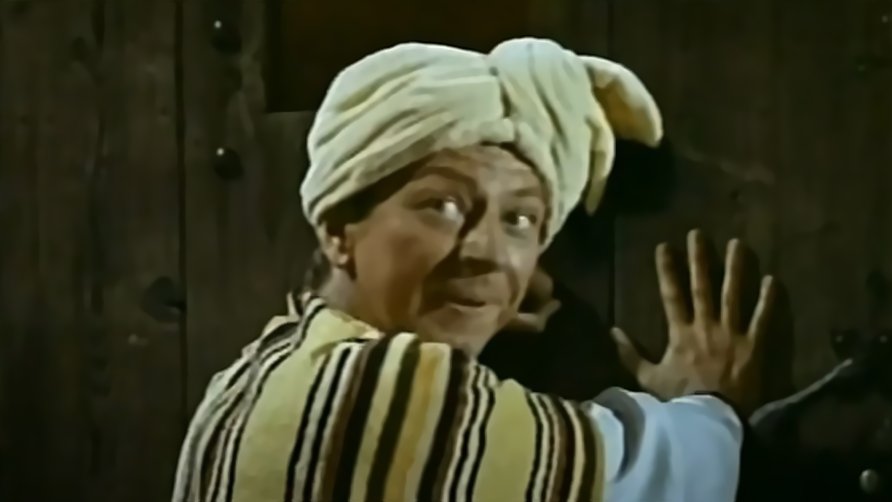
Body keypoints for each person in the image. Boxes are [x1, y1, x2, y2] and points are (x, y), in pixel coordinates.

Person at [172, 38, 777, 502]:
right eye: (441, 206)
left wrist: (457, 298)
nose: (488, 251)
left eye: (520, 220)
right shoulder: (375, 387)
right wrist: (710, 404)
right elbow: (662, 476)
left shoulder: (261, 365)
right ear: (338, 228)